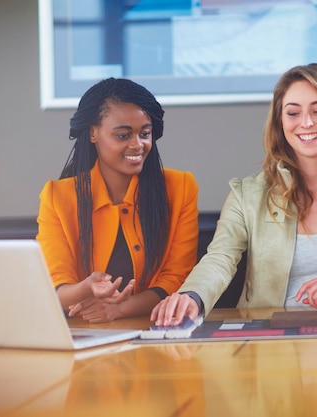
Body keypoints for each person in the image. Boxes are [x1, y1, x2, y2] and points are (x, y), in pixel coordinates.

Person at [152, 63, 317, 326]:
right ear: (280, 122)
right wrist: (192, 297)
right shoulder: (247, 195)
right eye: (293, 113)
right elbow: (219, 259)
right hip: (266, 342)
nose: (306, 122)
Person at [37, 78, 200, 323]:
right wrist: (87, 287)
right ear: (93, 133)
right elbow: (56, 286)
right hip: (82, 334)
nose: (138, 145)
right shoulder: (56, 196)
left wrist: (120, 309)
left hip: (154, 330)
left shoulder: (181, 188)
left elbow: (176, 278)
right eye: (123, 135)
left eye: (145, 133)